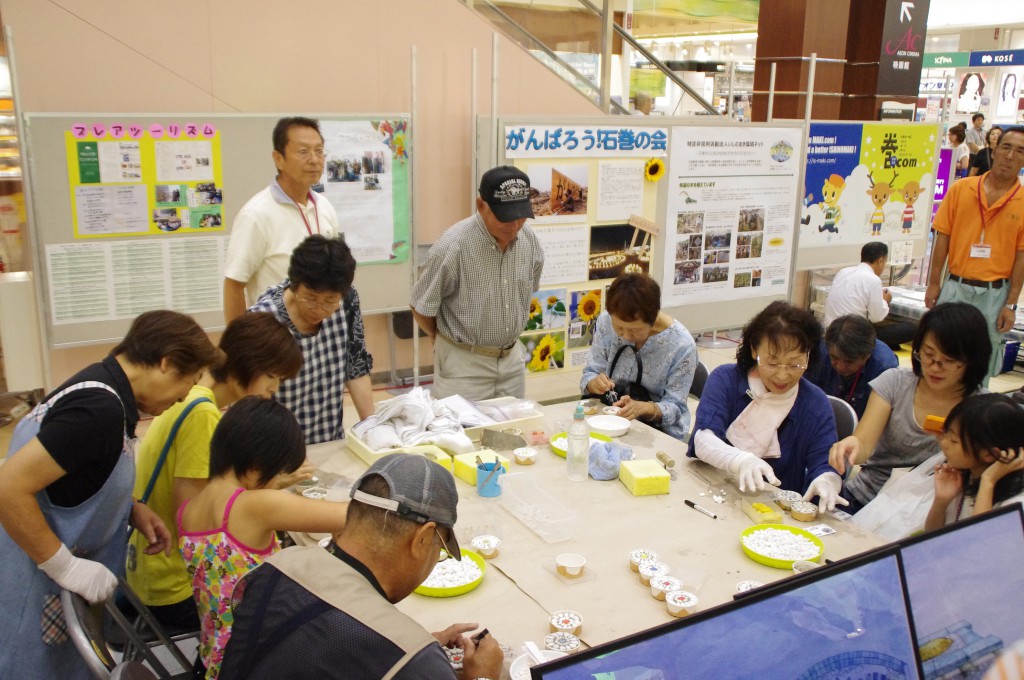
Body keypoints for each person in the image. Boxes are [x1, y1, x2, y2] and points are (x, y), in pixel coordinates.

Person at [0, 310, 223, 679]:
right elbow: (8, 487)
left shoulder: (102, 387)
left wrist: (131, 508)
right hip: (38, 588)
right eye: (191, 379)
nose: (186, 395)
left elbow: (74, 470)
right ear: (166, 363)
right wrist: (65, 567)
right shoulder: (99, 410)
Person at [218, 453, 504, 680]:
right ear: (423, 539)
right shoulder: (413, 661)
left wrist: (412, 650)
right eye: (438, 549)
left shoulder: (275, 567)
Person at [126, 312, 304, 632]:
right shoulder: (202, 415)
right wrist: (262, 496)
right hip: (172, 586)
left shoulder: (194, 398)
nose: (273, 390)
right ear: (246, 366)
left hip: (146, 571)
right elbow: (192, 527)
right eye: (272, 378)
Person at [177, 397, 350, 679]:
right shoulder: (253, 506)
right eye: (277, 471)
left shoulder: (189, 510)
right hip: (256, 663)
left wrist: (275, 483)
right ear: (257, 467)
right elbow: (347, 515)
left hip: (215, 660)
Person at [829, 303, 991, 513]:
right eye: (928, 354)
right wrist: (853, 445)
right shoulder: (895, 383)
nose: (934, 367)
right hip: (869, 499)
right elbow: (864, 443)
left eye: (948, 361)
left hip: (933, 511)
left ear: (972, 361)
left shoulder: (982, 409)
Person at [686, 302, 843, 511]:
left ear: (809, 356)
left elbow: (825, 463)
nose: (782, 375)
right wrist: (742, 461)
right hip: (714, 495)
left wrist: (827, 481)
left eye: (795, 364)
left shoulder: (814, 403)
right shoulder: (726, 380)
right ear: (754, 350)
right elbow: (703, 439)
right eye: (772, 362)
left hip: (777, 511)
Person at [411, 165, 544, 401]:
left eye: (520, 216)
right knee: (462, 434)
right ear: (481, 205)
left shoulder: (529, 239)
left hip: (511, 360)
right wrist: (441, 339)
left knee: (509, 432)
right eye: (506, 218)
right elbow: (421, 305)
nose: (515, 225)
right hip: (464, 364)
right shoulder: (453, 246)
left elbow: (528, 289)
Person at [249, 234, 374, 444]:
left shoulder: (347, 300)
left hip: (328, 437)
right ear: (295, 284)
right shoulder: (263, 319)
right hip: (275, 445)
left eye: (329, 301)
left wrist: (372, 429)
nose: (319, 309)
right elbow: (253, 400)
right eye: (310, 298)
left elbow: (356, 365)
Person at [925, 125, 1024, 382]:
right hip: (956, 286)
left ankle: (973, 418)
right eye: (1006, 147)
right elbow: (942, 238)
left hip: (995, 295)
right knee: (942, 352)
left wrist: (1011, 304)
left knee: (982, 364)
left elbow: (1021, 257)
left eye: (1020, 151)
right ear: (993, 149)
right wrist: (934, 283)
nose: (1011, 156)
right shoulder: (961, 189)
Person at [223, 116, 339, 323]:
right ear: (278, 159)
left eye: (319, 151)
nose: (314, 159)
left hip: (322, 334)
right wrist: (238, 346)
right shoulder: (256, 214)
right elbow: (234, 284)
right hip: (276, 341)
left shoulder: (325, 207)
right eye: (303, 152)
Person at [581, 273, 696, 441]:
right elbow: (590, 372)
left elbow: (676, 407)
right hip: (608, 417)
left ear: (653, 317)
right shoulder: (606, 321)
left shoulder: (681, 345)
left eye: (634, 330)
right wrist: (594, 383)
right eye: (619, 327)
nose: (625, 336)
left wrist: (645, 408)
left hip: (655, 432)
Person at [924, 393, 1024, 531]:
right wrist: (941, 502)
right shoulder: (964, 475)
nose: (944, 443)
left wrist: (988, 481)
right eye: (946, 433)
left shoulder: (1015, 504)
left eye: (954, 440)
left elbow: (978, 543)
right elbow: (931, 535)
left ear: (989, 454)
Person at [823, 241, 916, 350]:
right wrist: (885, 301)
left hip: (831, 331)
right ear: (880, 261)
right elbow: (876, 317)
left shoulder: (843, 272)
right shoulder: (873, 280)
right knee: (912, 328)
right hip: (853, 336)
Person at [806, 315, 899, 420]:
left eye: (849, 361)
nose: (840, 367)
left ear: (867, 355)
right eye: (834, 357)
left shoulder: (884, 368)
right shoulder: (820, 351)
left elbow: (877, 423)